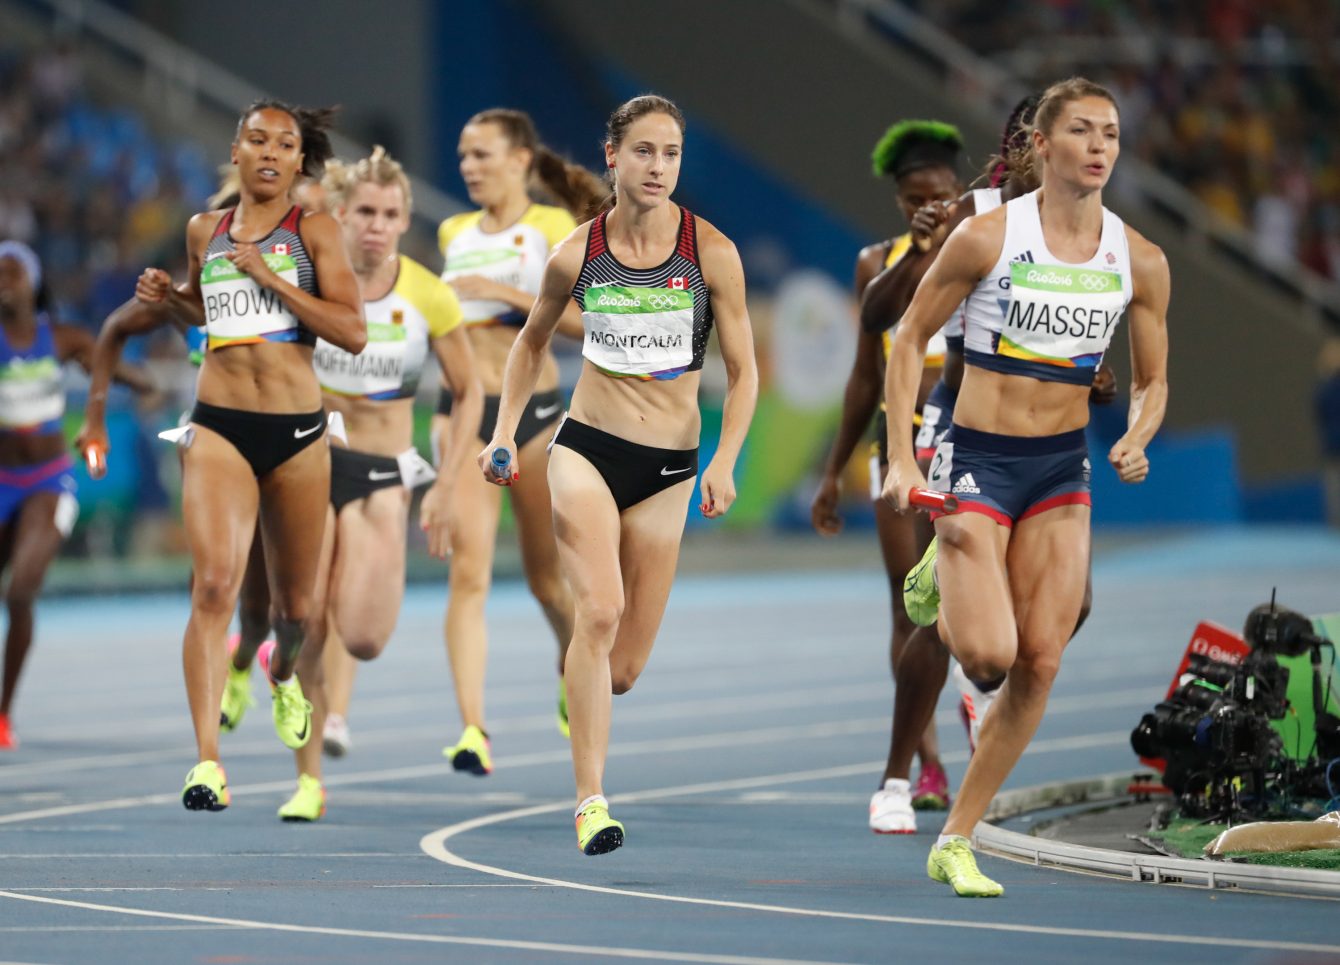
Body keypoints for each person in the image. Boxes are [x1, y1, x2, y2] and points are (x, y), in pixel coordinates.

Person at [881, 77, 1169, 895]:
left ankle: (958, 838)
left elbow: (1153, 379)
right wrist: (903, 457)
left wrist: (1140, 433)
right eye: (1081, 131)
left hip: (1060, 468)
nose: (1099, 146)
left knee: (1038, 661)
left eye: (1110, 132)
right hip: (975, 459)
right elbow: (908, 341)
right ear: (1042, 145)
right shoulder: (987, 238)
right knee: (986, 657)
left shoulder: (1138, 257)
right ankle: (946, 561)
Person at [483, 94, 757, 854]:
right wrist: (504, 433)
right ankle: (591, 801)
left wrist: (726, 459)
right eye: (643, 151)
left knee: (623, 669)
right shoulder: (577, 252)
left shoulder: (713, 254)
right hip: (586, 448)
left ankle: (582, 676)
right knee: (598, 610)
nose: (658, 167)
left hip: (670, 467)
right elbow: (531, 345)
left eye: (670, 153)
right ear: (613, 156)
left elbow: (744, 372)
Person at [134, 100, 366, 811]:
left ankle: (284, 674)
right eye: (256, 139)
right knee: (213, 586)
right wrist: (169, 301)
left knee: (297, 610)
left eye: (285, 143)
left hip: (296, 434)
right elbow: (212, 317)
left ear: (300, 162)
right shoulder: (205, 228)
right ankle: (207, 762)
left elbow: (352, 332)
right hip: (220, 423)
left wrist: (270, 275)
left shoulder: (315, 230)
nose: (269, 150)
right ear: (234, 152)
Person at [274, 146, 482, 820]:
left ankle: (302, 653)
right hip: (311, 459)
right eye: (364, 210)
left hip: (385, 471)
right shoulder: (307, 279)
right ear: (339, 212)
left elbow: (470, 387)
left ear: (403, 220)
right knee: (306, 618)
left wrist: (448, 484)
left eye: (390, 214)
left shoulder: (427, 291)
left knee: (362, 636)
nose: (376, 224)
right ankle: (308, 780)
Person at [432, 109, 603, 774]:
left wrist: (498, 291)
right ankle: (473, 728)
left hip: (535, 414)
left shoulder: (552, 229)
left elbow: (590, 325)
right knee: (466, 574)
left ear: (520, 160)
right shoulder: (452, 230)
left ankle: (570, 663)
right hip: (467, 410)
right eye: (462, 155)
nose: (469, 166)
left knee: (546, 583)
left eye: (481, 154)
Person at [809, 120, 964, 832]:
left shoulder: (986, 251)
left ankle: (968, 717)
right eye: (911, 200)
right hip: (895, 444)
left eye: (937, 194)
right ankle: (924, 762)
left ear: (959, 191)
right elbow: (866, 373)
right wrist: (833, 470)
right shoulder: (878, 262)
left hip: (963, 441)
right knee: (910, 605)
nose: (925, 207)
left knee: (962, 604)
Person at [0, 241, 152, 749]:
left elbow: (104, 361)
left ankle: (3, 713)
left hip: (46, 479)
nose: (4, 278)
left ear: (34, 281)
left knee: (21, 591)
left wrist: (142, 381)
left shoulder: (60, 338)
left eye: (13, 270)